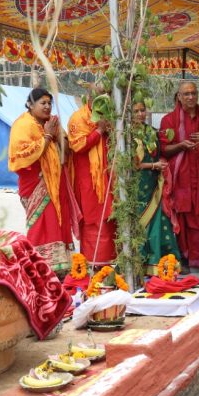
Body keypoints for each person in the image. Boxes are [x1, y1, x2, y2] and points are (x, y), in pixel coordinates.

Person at [8, 87, 78, 275]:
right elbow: (21, 157)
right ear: (30, 105)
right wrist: (47, 136)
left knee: (58, 222)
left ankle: (61, 267)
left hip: (56, 182)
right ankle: (39, 267)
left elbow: (67, 152)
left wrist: (58, 136)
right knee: (41, 225)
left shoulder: (53, 122)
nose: (47, 107)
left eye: (49, 103)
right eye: (43, 103)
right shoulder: (22, 125)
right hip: (36, 184)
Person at [159, 81, 199, 272]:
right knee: (182, 217)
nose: (190, 97)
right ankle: (183, 258)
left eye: (193, 93)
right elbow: (163, 149)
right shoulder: (169, 120)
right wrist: (181, 145)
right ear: (179, 96)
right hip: (181, 178)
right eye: (186, 94)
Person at [67, 87, 117, 266]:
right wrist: (99, 131)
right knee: (92, 219)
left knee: (110, 217)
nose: (102, 102)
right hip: (88, 179)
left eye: (106, 98)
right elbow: (78, 146)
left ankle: (110, 261)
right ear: (89, 98)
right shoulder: (78, 118)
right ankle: (93, 262)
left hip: (109, 175)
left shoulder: (110, 115)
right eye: (98, 98)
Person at [131, 101, 180, 275]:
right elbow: (131, 165)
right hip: (138, 186)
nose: (140, 114)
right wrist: (153, 166)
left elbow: (159, 154)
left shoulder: (151, 131)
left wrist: (160, 166)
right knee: (141, 222)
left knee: (159, 222)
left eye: (142, 110)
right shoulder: (126, 134)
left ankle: (160, 263)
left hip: (154, 184)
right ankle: (140, 263)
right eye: (136, 111)